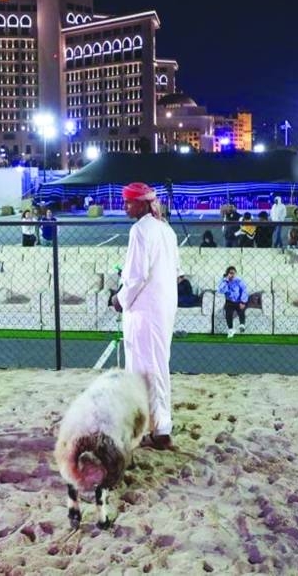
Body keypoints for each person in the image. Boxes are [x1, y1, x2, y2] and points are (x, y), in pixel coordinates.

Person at [111, 182, 179, 451]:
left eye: (129, 202)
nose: (125, 207)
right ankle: (157, 426)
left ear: (141, 205)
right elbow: (175, 271)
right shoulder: (166, 229)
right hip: (162, 307)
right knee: (156, 366)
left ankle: (158, 429)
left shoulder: (140, 230)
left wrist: (119, 299)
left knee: (145, 370)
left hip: (145, 309)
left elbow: (137, 276)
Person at [216, 266, 249, 339]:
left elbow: (244, 290)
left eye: (234, 273)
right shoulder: (224, 281)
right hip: (230, 301)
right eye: (230, 273)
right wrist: (225, 281)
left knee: (241, 309)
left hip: (239, 300)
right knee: (228, 312)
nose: (232, 275)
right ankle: (230, 329)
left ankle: (242, 324)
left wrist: (243, 301)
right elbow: (220, 290)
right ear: (227, 274)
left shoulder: (239, 281)